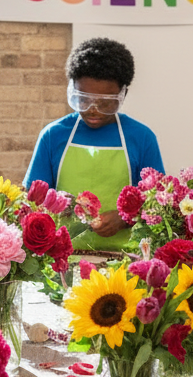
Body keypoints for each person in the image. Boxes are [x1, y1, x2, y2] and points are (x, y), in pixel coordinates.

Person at [23, 37, 164, 250]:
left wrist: (123, 218)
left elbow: (159, 203)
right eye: (83, 100)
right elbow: (32, 202)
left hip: (126, 260)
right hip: (63, 259)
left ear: (121, 94)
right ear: (73, 90)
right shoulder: (53, 136)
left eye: (105, 103)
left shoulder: (141, 138)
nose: (93, 110)